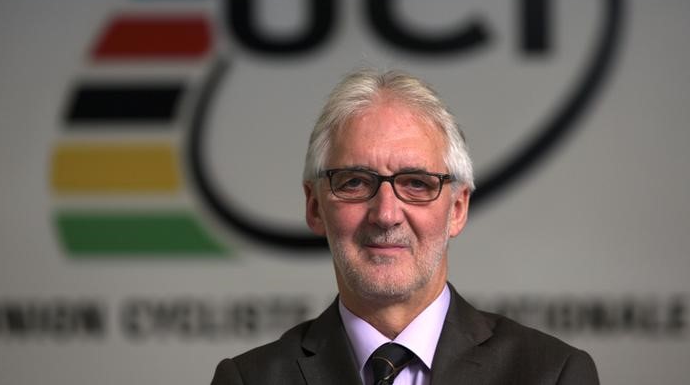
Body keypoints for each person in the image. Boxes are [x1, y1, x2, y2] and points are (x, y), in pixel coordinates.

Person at [211, 68, 599, 384]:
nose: (386, 214)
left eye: (416, 184)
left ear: (458, 209)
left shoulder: (552, 375)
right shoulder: (249, 380)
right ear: (314, 206)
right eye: (355, 182)